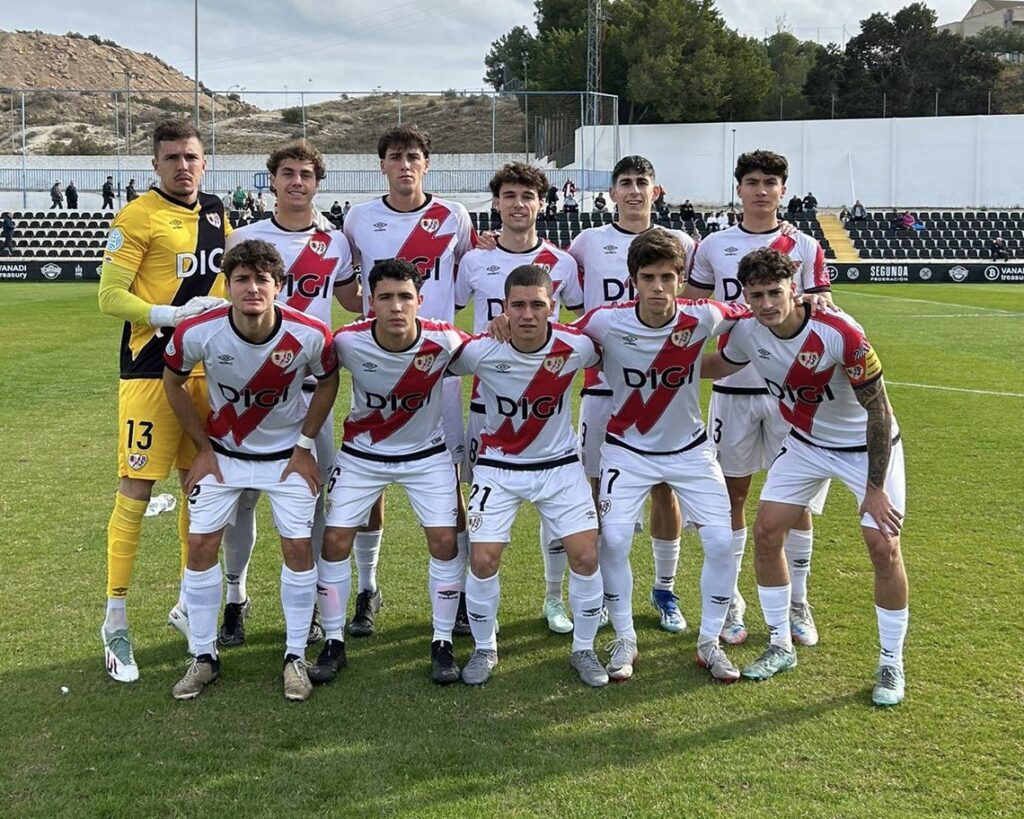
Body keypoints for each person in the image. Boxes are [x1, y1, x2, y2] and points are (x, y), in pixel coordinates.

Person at [703, 246, 909, 706]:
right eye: (756, 295)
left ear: (794, 289)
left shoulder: (839, 330)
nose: (766, 304)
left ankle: (891, 661)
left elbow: (878, 410)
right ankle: (780, 644)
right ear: (746, 296)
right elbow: (718, 365)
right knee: (766, 530)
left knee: (883, 545)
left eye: (774, 292)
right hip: (806, 445)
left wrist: (874, 488)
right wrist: (664, 364)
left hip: (867, 449)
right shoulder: (746, 332)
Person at [163, 238, 339, 701]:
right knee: (200, 545)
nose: (252, 288)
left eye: (263, 279)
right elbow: (173, 380)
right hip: (225, 456)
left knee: (299, 549)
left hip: (285, 461)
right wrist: (202, 447)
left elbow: (328, 380)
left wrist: (304, 446)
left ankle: (295, 656)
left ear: (279, 286)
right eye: (242, 279)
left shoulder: (309, 333)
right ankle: (203, 656)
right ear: (228, 284)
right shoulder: (199, 332)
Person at [574, 228, 748, 682]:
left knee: (719, 540)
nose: (658, 288)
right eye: (648, 277)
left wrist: (811, 303)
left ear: (681, 277)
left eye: (668, 277)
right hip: (626, 450)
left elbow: (754, 311)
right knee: (611, 540)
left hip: (690, 449)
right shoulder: (604, 321)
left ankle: (709, 642)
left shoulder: (704, 315)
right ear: (633, 279)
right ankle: (625, 637)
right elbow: (556, 341)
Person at [97, 119, 231, 683]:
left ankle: (187, 607)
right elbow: (108, 296)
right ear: (155, 164)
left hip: (207, 370)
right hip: (152, 371)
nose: (183, 166)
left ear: (204, 162)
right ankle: (115, 621)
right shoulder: (136, 216)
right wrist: (168, 316)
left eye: (192, 157)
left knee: (198, 487)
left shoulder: (219, 211)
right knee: (136, 489)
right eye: (172, 157)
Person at [684, 149, 832, 648]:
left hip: (792, 393)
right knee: (733, 495)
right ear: (739, 189)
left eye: (771, 181)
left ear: (783, 189)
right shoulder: (712, 245)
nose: (761, 189)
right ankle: (730, 603)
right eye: (752, 181)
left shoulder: (805, 245)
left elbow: (822, 307)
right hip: (733, 388)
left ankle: (798, 603)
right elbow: (696, 305)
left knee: (796, 501)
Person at [337, 123, 475, 638]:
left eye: (413, 156)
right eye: (395, 156)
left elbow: (463, 284)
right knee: (371, 478)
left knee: (451, 478)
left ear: (426, 164)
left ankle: (456, 594)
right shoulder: (359, 218)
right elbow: (350, 292)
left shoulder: (454, 217)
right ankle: (367, 588)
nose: (405, 165)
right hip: (378, 366)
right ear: (382, 165)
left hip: (437, 367)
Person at [215, 139, 354, 649]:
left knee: (317, 498)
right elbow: (220, 306)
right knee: (240, 501)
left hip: (311, 389)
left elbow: (352, 300)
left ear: (319, 183)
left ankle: (318, 602)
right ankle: (235, 599)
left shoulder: (335, 242)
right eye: (288, 173)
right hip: (246, 392)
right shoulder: (243, 238)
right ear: (271, 180)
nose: (298, 181)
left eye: (307, 174)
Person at [448, 265, 607, 687]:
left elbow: (613, 345)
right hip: (499, 468)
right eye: (517, 305)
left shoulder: (576, 346)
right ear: (503, 309)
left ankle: (584, 649)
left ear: (552, 308)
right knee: (482, 559)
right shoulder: (480, 350)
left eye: (537, 305)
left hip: (559, 468)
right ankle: (485, 648)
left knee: (586, 556)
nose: (527, 314)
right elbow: (433, 360)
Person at [316, 258, 467, 686]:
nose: (396, 307)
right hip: (363, 455)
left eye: (405, 297)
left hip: (428, 455)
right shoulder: (347, 342)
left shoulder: (446, 340)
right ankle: (333, 641)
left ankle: (442, 642)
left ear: (420, 301)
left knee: (443, 538)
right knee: (334, 538)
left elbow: (489, 357)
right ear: (369, 302)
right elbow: (313, 368)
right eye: (385, 297)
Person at [565, 155, 696, 633]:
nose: (635, 190)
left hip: (663, 389)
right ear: (612, 193)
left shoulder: (682, 243)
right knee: (597, 492)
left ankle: (664, 589)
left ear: (656, 191)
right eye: (625, 183)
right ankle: (602, 593)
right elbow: (556, 283)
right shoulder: (588, 242)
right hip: (604, 390)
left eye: (643, 182)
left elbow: (700, 306)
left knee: (665, 489)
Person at [456, 162, 582, 634]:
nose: (517, 204)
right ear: (496, 204)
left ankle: (554, 597)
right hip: (487, 404)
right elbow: (449, 320)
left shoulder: (563, 262)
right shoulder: (473, 260)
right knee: (479, 501)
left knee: (556, 501)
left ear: (541, 204)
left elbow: (581, 324)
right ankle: (473, 597)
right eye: (509, 195)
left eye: (527, 196)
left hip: (546, 401)